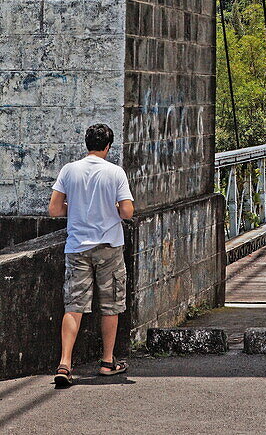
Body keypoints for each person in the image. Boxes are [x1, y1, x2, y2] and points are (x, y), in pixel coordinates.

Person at [48, 123, 134, 387]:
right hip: (108, 246)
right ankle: (108, 361)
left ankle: (65, 363)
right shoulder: (115, 172)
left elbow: (54, 209)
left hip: (77, 247)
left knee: (74, 306)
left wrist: (77, 210)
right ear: (108, 146)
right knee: (110, 305)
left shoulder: (69, 170)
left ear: (86, 143)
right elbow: (127, 212)